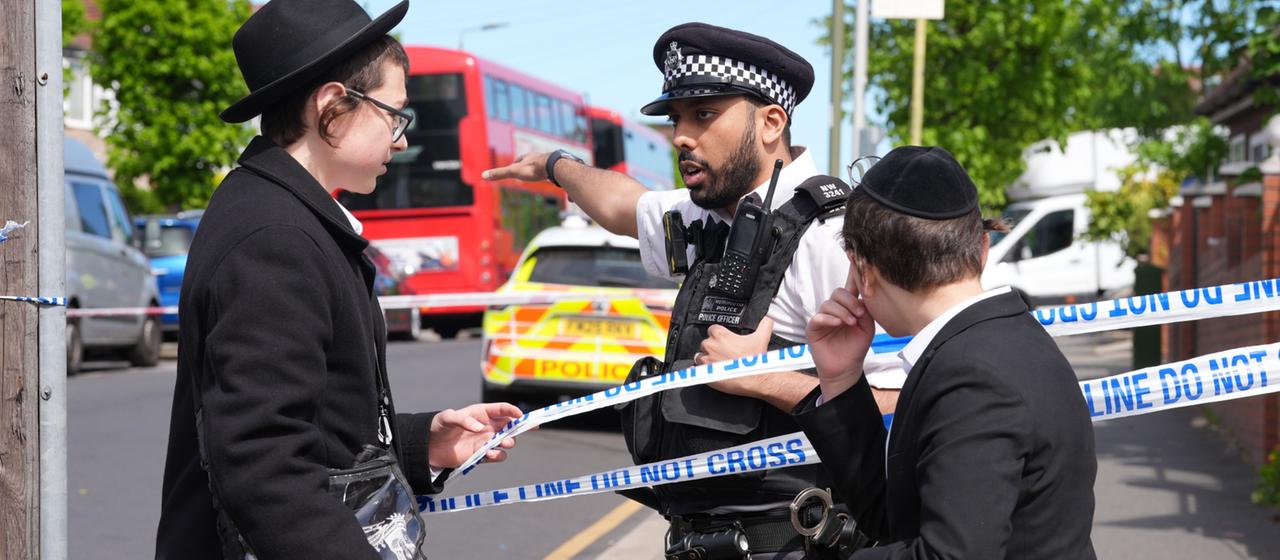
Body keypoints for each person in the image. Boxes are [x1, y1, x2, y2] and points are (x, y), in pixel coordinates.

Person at [484, 22, 902, 559]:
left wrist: (764, 381)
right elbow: (622, 206)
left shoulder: (833, 238)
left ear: (771, 122)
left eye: (704, 115)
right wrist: (555, 166)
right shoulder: (713, 216)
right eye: (677, 118)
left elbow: (906, 404)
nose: (682, 135)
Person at [156, 1, 521, 558]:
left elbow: (315, 424)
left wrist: (423, 443)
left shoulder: (283, 215)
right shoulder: (273, 239)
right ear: (331, 106)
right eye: (393, 114)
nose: (401, 140)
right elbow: (263, 461)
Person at [792, 146, 1098, 558]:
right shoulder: (1006, 339)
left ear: (863, 272)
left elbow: (949, 554)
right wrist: (841, 380)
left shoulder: (970, 375)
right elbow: (893, 518)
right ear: (983, 248)